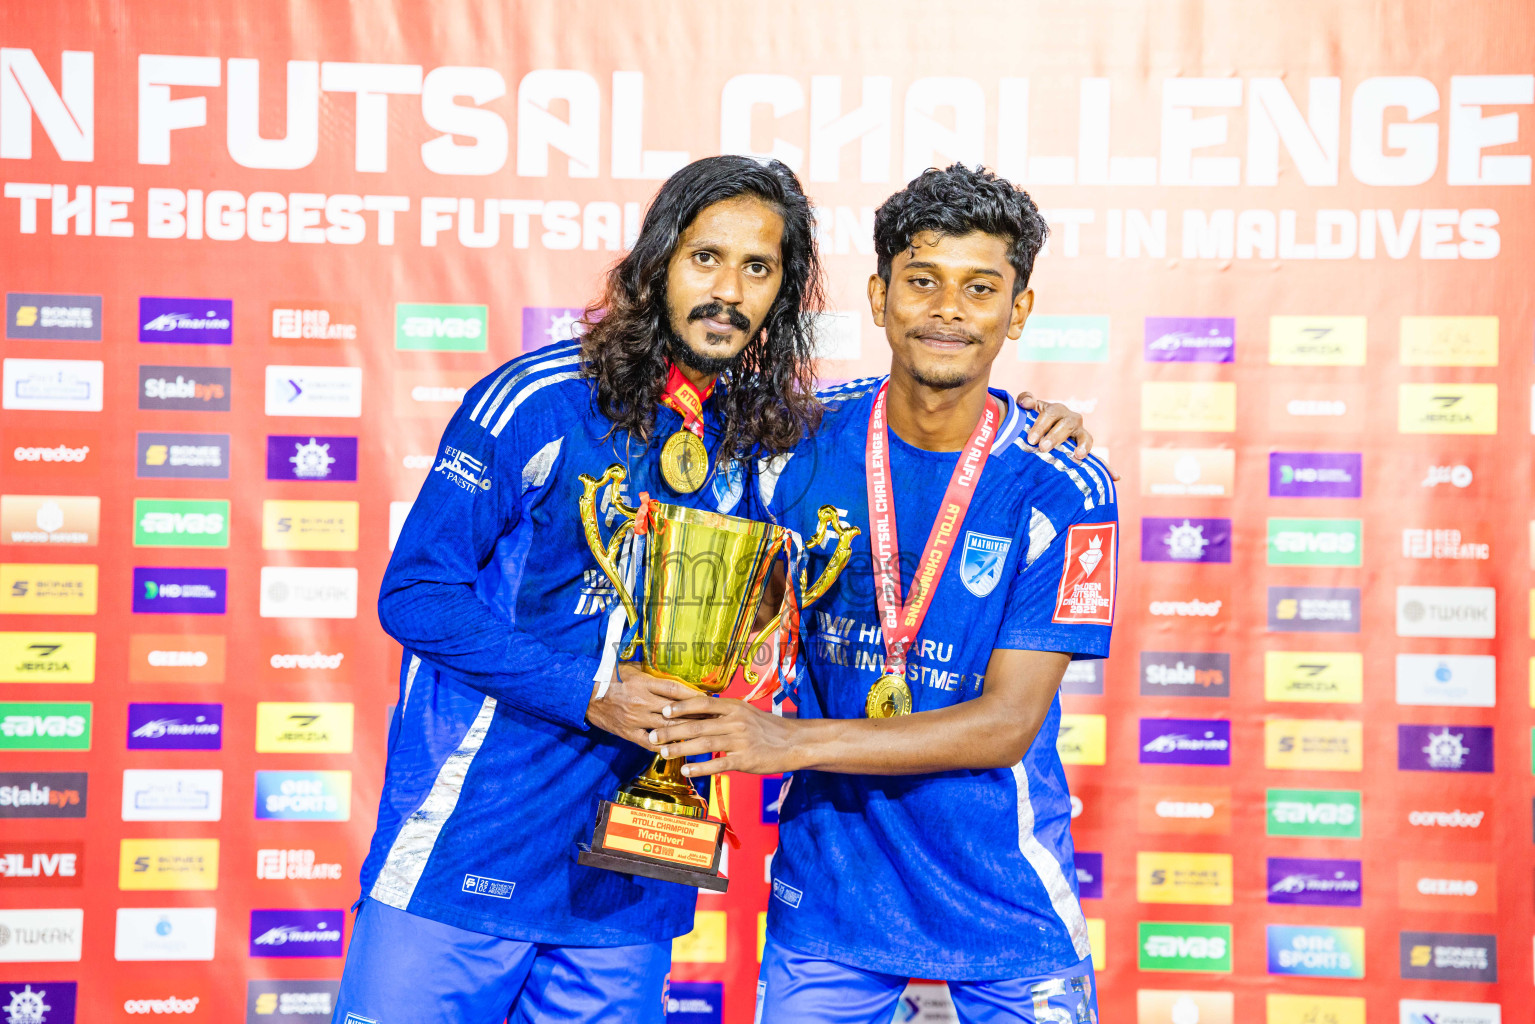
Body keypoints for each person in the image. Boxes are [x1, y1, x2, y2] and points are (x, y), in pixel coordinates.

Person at [335, 155, 1097, 1024]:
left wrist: (1035, 426)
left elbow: (936, 433)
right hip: (468, 842)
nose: (728, 290)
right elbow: (417, 593)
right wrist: (591, 693)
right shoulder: (538, 401)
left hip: (631, 871)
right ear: (657, 260)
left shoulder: (762, 444)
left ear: (785, 292)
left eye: (758, 268)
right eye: (706, 258)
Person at [650, 165, 1116, 1023]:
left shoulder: (1063, 485)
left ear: (1017, 312)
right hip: (829, 891)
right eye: (922, 281)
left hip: (1001, 894)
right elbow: (670, 451)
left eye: (980, 289)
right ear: (877, 295)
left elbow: (1007, 725)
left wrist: (786, 740)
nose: (947, 309)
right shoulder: (792, 444)